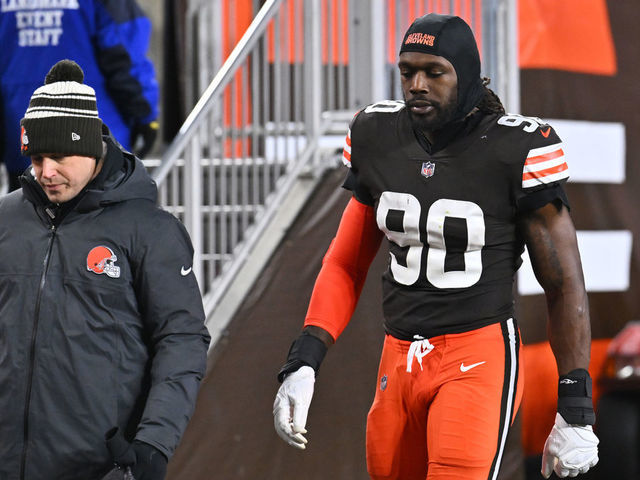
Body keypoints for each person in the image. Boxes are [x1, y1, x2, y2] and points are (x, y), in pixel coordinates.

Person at [273, 13, 599, 480]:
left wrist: (576, 404)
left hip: (476, 354)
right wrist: (304, 359)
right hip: (397, 353)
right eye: (407, 71)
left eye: (434, 71)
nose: (417, 84)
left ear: (464, 74)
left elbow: (563, 284)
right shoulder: (377, 135)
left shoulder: (514, 146)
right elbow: (346, 262)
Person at [0, 59, 209, 479]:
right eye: (37, 158)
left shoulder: (150, 230)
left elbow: (182, 340)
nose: (46, 172)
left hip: (99, 466)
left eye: (59, 157)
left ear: (91, 148)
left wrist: (153, 442)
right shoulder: (5, 221)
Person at [0, 0, 159, 192]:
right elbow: (126, 55)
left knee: (30, 215)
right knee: (106, 217)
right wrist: (146, 117)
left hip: (24, 139)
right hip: (95, 142)